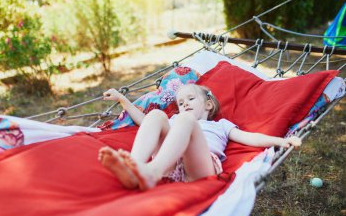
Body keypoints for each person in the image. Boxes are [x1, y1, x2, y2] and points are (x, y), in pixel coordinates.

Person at [98, 84, 302, 190]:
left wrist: (281, 141)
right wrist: (123, 100)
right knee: (156, 115)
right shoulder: (175, 119)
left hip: (199, 169)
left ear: (208, 104)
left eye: (191, 98)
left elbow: (251, 138)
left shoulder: (221, 125)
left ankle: (151, 172)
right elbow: (145, 122)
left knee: (187, 121)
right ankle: (134, 167)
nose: (184, 104)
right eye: (180, 102)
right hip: (170, 164)